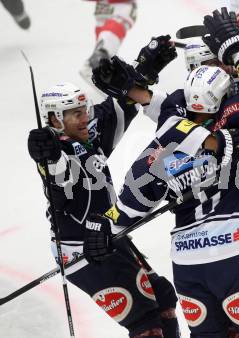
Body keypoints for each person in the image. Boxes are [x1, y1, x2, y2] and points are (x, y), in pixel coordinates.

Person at [83, 7, 239, 337]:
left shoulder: (170, 135)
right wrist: (235, 44)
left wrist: (104, 225)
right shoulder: (238, 116)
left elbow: (137, 192)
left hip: (189, 261)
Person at [27, 44, 181, 338]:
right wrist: (43, 152)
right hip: (82, 251)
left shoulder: (87, 131)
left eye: (83, 110)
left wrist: (145, 69)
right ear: (55, 120)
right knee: (145, 322)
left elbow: (120, 103)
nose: (85, 117)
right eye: (74, 114)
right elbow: (56, 169)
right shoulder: (57, 153)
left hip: (107, 236)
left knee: (162, 297)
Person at [80, 0, 138, 81]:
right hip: (112, 5)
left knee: (110, 29)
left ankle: (102, 61)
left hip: (113, 4)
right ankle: (99, 61)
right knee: (108, 30)